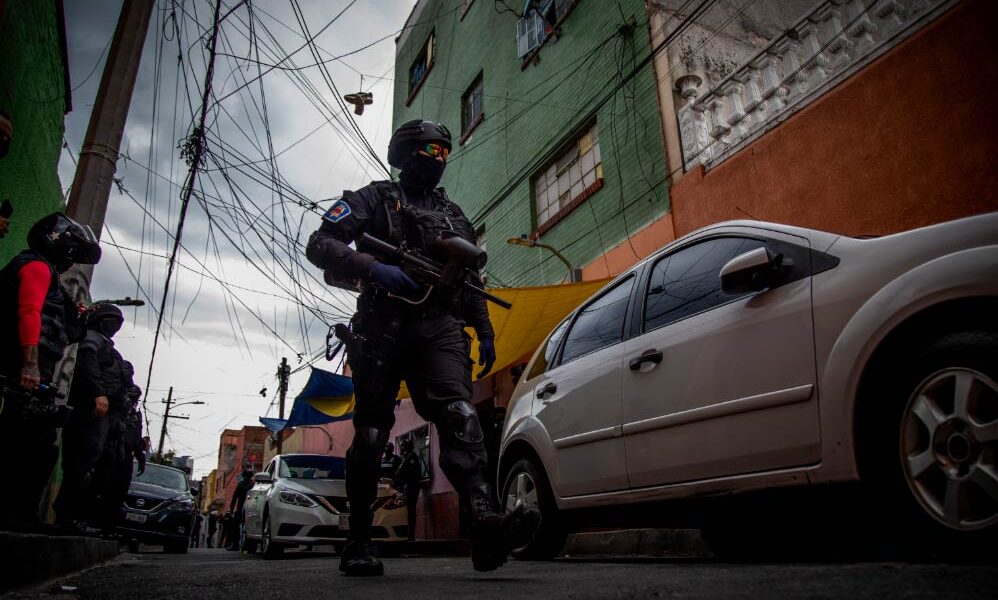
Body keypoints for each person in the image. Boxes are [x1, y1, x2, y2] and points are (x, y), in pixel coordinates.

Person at [305, 119, 536, 576]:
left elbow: (470, 278)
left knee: (461, 415)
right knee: (372, 434)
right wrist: (373, 268)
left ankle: (484, 520)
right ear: (406, 152)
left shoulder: (455, 213)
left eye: (445, 152)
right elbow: (321, 243)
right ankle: (358, 541)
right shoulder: (372, 198)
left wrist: (484, 329)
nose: (439, 160)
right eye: (431, 150)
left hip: (440, 327)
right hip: (381, 325)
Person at [0, 212, 100, 531]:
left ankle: (20, 515)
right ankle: (15, 516)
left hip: (30, 371)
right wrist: (29, 364)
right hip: (19, 369)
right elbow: (28, 312)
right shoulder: (36, 266)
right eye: (72, 251)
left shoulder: (50, 278)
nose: (72, 260)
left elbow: (58, 328)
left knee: (35, 441)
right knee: (27, 443)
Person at [55, 302, 128, 531]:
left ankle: (76, 516)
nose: (114, 326)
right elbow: (88, 365)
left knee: (92, 463)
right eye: (111, 321)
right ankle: (67, 515)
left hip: (103, 414)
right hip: (90, 408)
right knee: (81, 462)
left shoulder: (107, 346)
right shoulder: (93, 339)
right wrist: (99, 393)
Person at [396, 438, 425, 542]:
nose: (401, 448)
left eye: (403, 446)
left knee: (411, 511)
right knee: (408, 511)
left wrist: (402, 471)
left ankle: (411, 535)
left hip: (412, 486)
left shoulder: (411, 456)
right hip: (407, 486)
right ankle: (409, 534)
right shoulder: (405, 457)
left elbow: (412, 472)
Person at [227, 468, 254, 550]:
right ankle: (249, 546)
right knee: (249, 526)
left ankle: (235, 545)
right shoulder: (254, 484)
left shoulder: (240, 484)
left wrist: (231, 510)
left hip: (241, 507)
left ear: (244, 476)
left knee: (235, 526)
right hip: (250, 508)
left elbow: (234, 498)